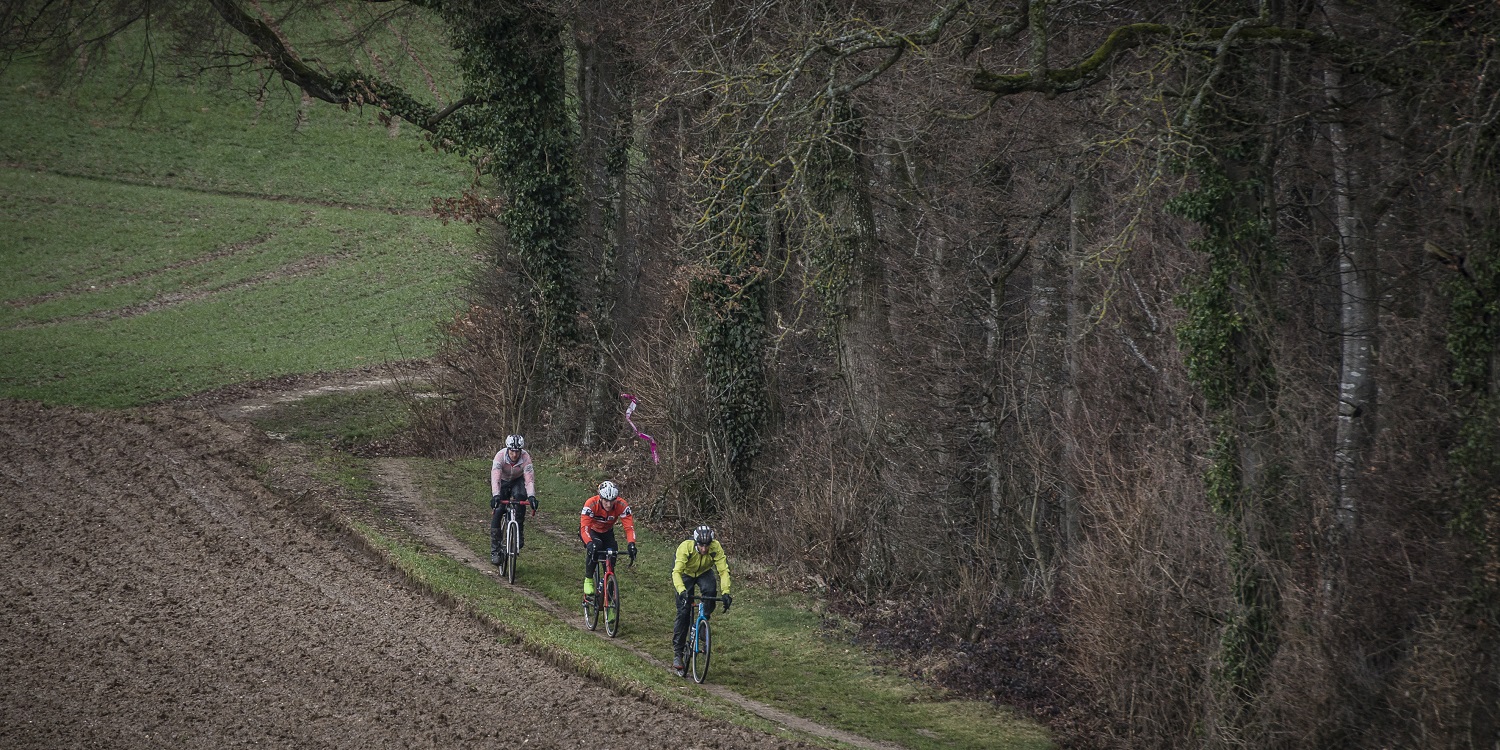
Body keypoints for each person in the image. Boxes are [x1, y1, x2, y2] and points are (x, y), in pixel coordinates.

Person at [671, 525, 732, 675]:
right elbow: (676, 572)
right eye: (701, 545)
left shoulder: (715, 547)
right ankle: (678, 654)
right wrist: (682, 591)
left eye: (707, 545)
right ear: (696, 542)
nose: (704, 549)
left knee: (710, 592)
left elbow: (723, 571)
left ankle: (703, 620)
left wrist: (726, 592)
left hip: (704, 572)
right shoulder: (685, 547)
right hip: (685, 573)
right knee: (683, 612)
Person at [579, 480, 637, 599]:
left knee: (612, 555)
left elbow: (629, 528)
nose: (609, 504)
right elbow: (584, 528)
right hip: (591, 531)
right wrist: (589, 543)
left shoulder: (622, 505)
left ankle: (607, 587)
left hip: (607, 532)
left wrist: (631, 544)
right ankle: (588, 579)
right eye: (606, 500)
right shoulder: (591, 504)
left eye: (612, 500)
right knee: (596, 547)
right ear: (600, 497)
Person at [489, 434, 538, 566]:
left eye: (517, 451)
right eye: (512, 451)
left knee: (521, 497)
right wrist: (496, 496)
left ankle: (519, 531)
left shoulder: (526, 458)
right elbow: (495, 478)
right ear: (508, 449)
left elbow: (529, 480)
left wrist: (532, 496)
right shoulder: (500, 456)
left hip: (518, 480)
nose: (515, 455)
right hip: (503, 480)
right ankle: (495, 550)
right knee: (498, 510)